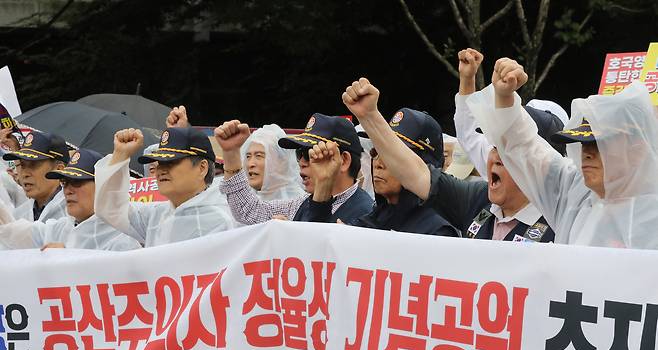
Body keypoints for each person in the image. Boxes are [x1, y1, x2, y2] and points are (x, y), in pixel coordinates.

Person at [467, 58, 658, 249]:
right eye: (583, 143)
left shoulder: (652, 214)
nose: (587, 153)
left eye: (600, 144)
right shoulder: (573, 193)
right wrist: (505, 99)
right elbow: (525, 149)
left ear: (637, 148)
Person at [341, 77, 555, 243]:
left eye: (510, 149)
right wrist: (370, 117)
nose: (496, 158)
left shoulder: (559, 220)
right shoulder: (479, 199)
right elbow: (415, 173)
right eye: (494, 147)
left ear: (540, 163)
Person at [308, 108, 460, 237]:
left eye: (393, 156)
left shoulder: (437, 231)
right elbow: (320, 256)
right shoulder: (375, 218)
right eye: (376, 151)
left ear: (424, 164)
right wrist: (323, 184)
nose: (378, 163)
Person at [216, 114, 373, 223]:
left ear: (343, 161)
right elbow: (249, 210)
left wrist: (289, 239)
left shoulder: (366, 214)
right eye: (299, 153)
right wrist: (231, 153)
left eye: (310, 153)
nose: (302, 162)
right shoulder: (301, 203)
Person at [94, 127, 234, 247]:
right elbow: (110, 208)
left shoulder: (219, 221)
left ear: (202, 168)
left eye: (171, 162)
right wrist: (120, 155)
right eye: (159, 163)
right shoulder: (156, 215)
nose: (161, 170)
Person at [454, 48, 567, 180]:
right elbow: (469, 133)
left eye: (516, 142)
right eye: (498, 144)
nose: (500, 154)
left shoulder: (563, 193)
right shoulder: (499, 165)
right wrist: (467, 79)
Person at [0, 148, 141, 250]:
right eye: (65, 182)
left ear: (102, 187)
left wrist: (69, 260)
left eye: (77, 182)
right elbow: (17, 234)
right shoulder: (62, 227)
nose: (68, 190)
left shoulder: (124, 239)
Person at [3, 131, 69, 222]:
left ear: (59, 169)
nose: (24, 174)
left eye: (33, 165)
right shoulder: (18, 215)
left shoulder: (74, 213)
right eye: (22, 165)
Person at [240, 124, 304, 200]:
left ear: (282, 162)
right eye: (248, 156)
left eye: (259, 156)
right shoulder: (246, 204)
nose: (250, 164)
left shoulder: (301, 205)